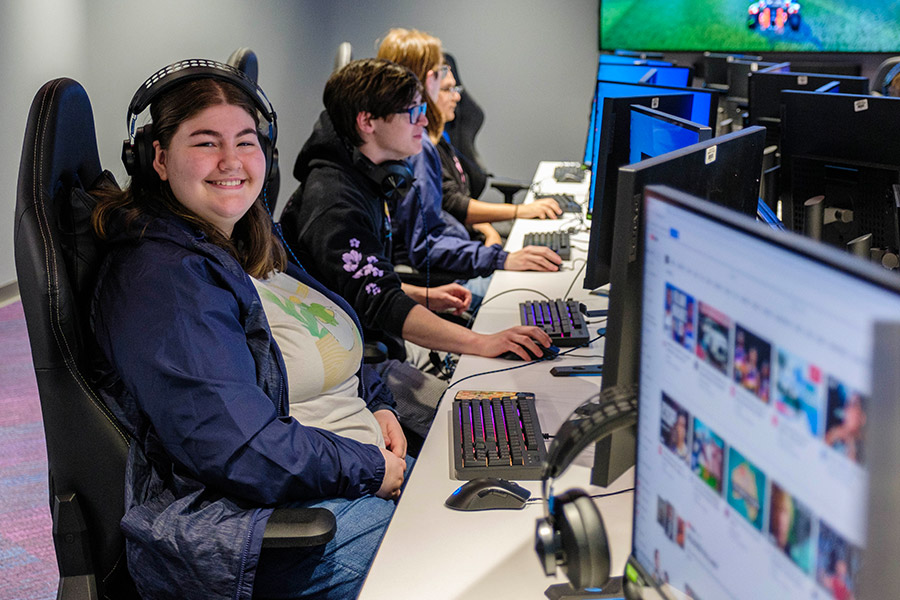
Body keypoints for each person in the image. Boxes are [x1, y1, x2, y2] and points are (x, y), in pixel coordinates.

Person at [90, 60, 408, 600]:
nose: (232, 161)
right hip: (253, 533)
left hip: (335, 475)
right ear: (157, 159)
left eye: (246, 141)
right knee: (465, 551)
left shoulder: (248, 237)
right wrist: (369, 466)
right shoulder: (163, 280)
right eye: (206, 143)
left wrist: (377, 404)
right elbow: (240, 449)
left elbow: (328, 336)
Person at [278, 58, 554, 440]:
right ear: (367, 122)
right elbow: (378, 303)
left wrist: (423, 295)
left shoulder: (368, 177)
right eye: (413, 112)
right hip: (353, 368)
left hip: (369, 340)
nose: (424, 122)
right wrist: (483, 342)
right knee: (476, 425)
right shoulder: (335, 203)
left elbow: (354, 280)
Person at [373, 28, 562, 294]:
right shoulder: (417, 147)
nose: (456, 95)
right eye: (442, 77)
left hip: (453, 257)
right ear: (428, 81)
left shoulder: (404, 139)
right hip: (441, 277)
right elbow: (426, 246)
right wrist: (500, 258)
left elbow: (438, 216)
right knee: (541, 290)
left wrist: (488, 238)